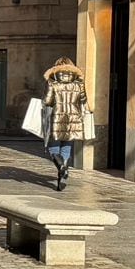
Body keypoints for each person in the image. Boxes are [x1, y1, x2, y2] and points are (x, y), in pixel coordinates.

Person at [42, 56, 90, 191]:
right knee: (66, 147)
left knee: (53, 148)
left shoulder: (52, 83)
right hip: (74, 119)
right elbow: (83, 99)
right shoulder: (78, 83)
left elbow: (47, 101)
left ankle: (62, 168)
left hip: (57, 118)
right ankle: (62, 176)